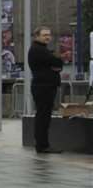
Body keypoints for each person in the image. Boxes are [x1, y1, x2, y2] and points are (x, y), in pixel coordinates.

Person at [28, 24, 64, 152]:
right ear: (37, 36)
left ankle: (42, 145)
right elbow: (58, 63)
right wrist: (56, 62)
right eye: (44, 35)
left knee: (44, 116)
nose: (47, 37)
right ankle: (42, 146)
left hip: (45, 86)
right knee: (43, 117)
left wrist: (55, 64)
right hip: (43, 87)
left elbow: (57, 66)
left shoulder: (42, 49)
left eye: (49, 35)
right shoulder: (38, 50)